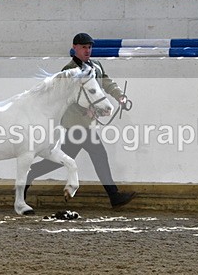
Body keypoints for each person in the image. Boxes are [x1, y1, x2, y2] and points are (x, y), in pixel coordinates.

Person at [24, 32, 137, 208]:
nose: (87, 50)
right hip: (75, 124)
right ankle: (114, 196)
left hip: (87, 124)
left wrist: (120, 96)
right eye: (84, 47)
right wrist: (87, 110)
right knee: (100, 155)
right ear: (75, 48)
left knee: (64, 159)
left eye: (89, 47)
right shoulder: (68, 71)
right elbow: (65, 98)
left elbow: (106, 83)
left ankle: (30, 174)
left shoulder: (96, 66)